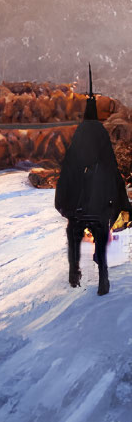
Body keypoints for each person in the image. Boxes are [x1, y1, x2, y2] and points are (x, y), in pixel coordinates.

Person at [55, 78, 129, 295]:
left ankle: (73, 271)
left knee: (73, 231)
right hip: (98, 201)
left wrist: (65, 199)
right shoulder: (101, 132)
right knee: (101, 228)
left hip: (78, 201)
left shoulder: (80, 133)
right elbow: (109, 163)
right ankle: (103, 276)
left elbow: (69, 166)